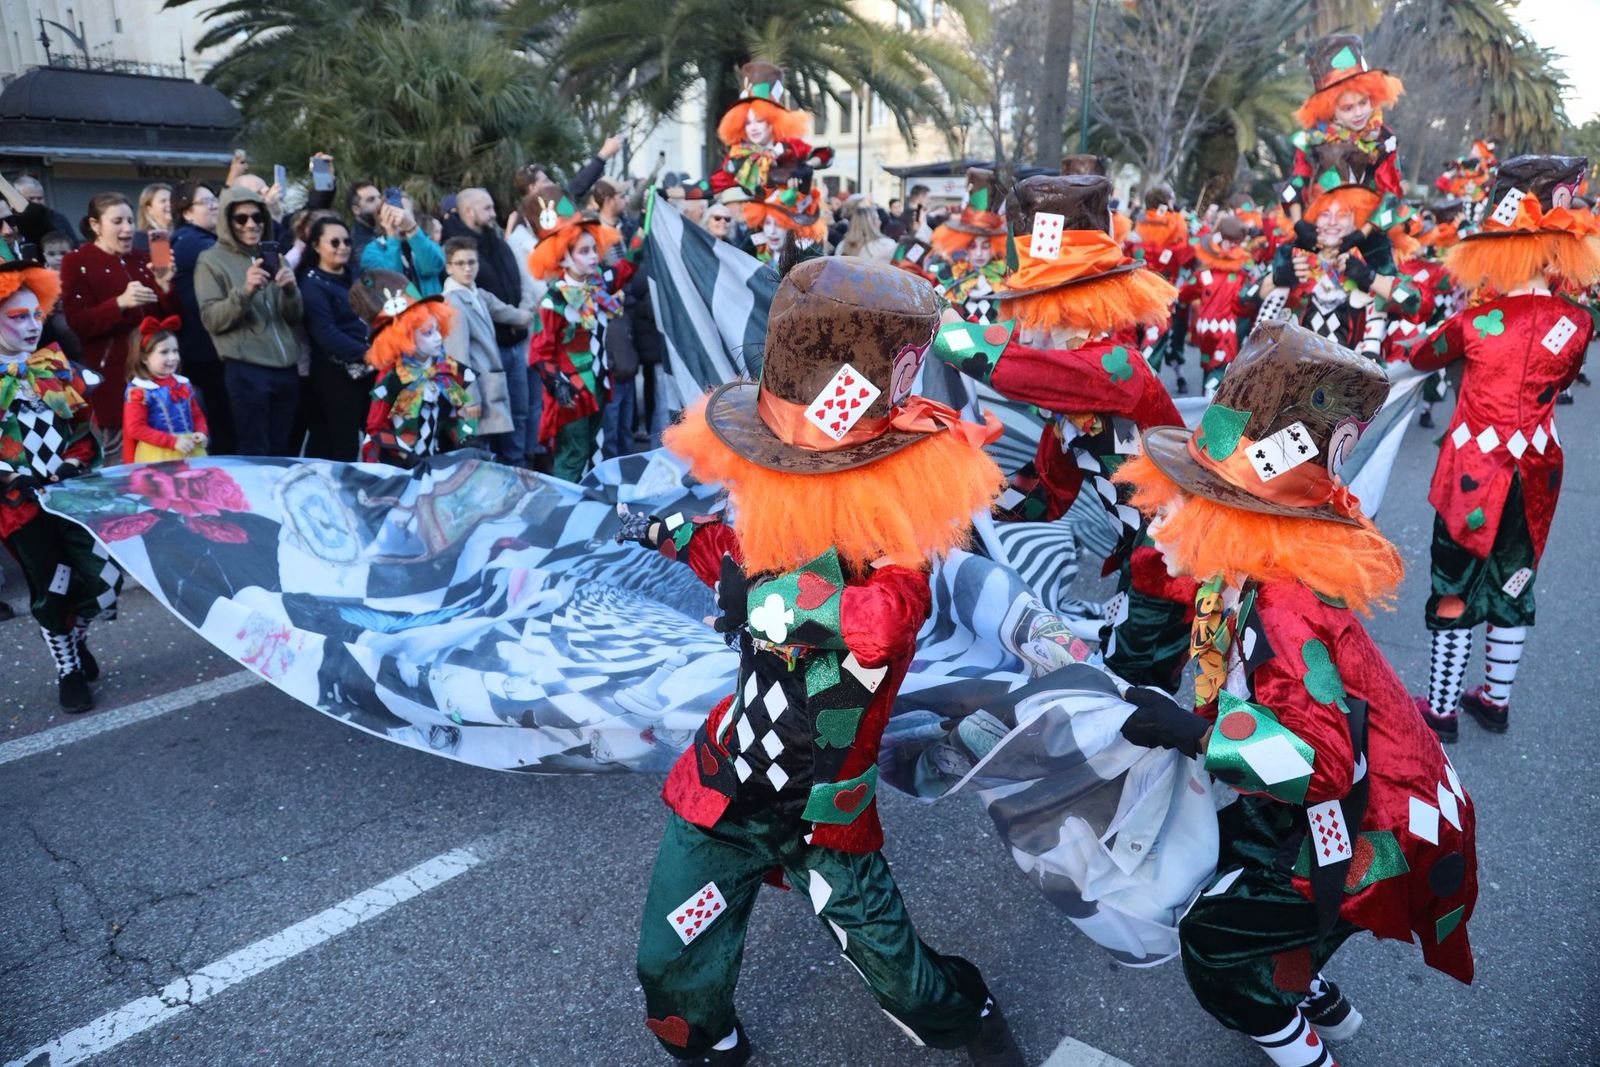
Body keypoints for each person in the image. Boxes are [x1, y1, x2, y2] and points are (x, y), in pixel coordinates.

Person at [617, 256, 1022, 1067]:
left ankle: (974, 1017)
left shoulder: (893, 548)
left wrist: (777, 607)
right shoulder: (776, 513)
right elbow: (735, 556)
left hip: (822, 816)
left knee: (905, 984)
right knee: (668, 961)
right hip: (725, 789)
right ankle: (716, 1047)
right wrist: (671, 534)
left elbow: (882, 621)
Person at [1113, 320, 1477, 1067]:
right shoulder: (1247, 574)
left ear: (1242, 513)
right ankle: (1311, 989)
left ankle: (1306, 1050)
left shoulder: (1280, 607)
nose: (1168, 511)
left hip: (1367, 818)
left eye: (1195, 494)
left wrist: (1191, 733)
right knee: (1233, 876)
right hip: (1334, 798)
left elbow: (1322, 767)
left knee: (1212, 946)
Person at [930, 174, 1192, 693]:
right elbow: (1049, 490)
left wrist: (946, 333)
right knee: (1126, 678)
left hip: (1177, 553)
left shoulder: (1116, 366)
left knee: (1135, 686)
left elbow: (1022, 370)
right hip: (1143, 557)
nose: (1029, 321)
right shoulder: (1073, 400)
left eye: (1039, 301)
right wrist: (966, 513)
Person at [1410, 155, 1600, 741]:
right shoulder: (1578, 322)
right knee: (1515, 576)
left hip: (1475, 467)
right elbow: (1562, 380)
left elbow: (1421, 357)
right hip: (1536, 467)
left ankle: (1441, 709)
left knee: (1454, 581)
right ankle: (1494, 699)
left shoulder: (1477, 321)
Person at [0, 259, 121, 712]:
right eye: (17, 316)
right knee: (52, 586)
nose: (32, 325)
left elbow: (82, 424)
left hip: (71, 495)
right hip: (21, 506)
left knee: (104, 578)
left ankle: (77, 633)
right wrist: (12, 475)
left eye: (37, 314)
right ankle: (67, 668)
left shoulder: (53, 366)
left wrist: (74, 460)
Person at [525, 181, 633, 480]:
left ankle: (590, 510)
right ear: (563, 256)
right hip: (572, 392)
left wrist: (645, 232)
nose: (593, 257)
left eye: (593, 249)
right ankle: (565, 515)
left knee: (595, 453)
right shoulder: (553, 301)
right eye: (584, 251)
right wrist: (557, 385)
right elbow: (539, 354)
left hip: (598, 384)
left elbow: (625, 269)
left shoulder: (595, 287)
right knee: (572, 459)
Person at [60, 191, 180, 449]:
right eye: (117, 222)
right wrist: (119, 304)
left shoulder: (143, 259)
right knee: (120, 464)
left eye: (129, 221)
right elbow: (79, 322)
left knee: (165, 456)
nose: (127, 228)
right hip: (113, 383)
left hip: (156, 379)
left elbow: (170, 321)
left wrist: (164, 286)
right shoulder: (76, 262)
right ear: (95, 225)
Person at [194, 185, 303, 456]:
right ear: (227, 222)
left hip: (287, 369)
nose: (251, 224)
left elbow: (294, 317)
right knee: (255, 453)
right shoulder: (210, 260)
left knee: (285, 451)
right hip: (247, 369)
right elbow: (211, 319)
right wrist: (245, 292)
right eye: (241, 218)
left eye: (258, 217)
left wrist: (291, 291)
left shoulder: (276, 258)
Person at [442, 188, 536, 465]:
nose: (469, 268)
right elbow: (457, 356)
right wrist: (468, 398)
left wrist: (527, 312)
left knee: (518, 420)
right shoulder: (454, 302)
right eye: (461, 264)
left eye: (472, 263)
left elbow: (504, 308)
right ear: (449, 267)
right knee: (479, 448)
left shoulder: (477, 287)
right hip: (478, 382)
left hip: (507, 358)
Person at [1284, 34, 1405, 245]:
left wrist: (1361, 234)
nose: (1359, 113)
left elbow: (1392, 195)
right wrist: (1299, 226)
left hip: (1369, 238)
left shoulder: (1385, 139)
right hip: (1318, 233)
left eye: (1363, 103)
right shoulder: (1311, 139)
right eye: (1348, 108)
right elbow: (1293, 186)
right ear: (1331, 110)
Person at [349, 269, 478, 466]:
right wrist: (405, 456)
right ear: (404, 338)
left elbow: (454, 417)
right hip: (400, 468)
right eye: (427, 333)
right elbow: (376, 429)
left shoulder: (445, 369)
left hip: (436, 462)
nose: (437, 338)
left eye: (437, 329)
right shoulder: (392, 378)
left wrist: (466, 437)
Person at [298, 215, 372, 461]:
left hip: (366, 369)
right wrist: (371, 354)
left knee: (372, 433)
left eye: (347, 241)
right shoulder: (311, 284)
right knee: (342, 443)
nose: (343, 247)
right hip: (335, 373)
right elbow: (326, 334)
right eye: (335, 242)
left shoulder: (354, 274)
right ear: (317, 246)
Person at [169, 180, 234, 454]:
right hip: (205, 346)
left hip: (204, 345)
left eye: (214, 199)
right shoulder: (194, 242)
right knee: (223, 423)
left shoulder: (198, 239)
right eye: (205, 202)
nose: (214, 206)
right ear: (186, 212)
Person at [709, 62, 833, 204]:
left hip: (791, 217)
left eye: (759, 120)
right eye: (747, 123)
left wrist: (807, 165)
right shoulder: (739, 155)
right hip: (757, 221)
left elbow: (826, 154)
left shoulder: (790, 146)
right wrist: (681, 192)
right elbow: (714, 184)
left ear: (773, 121)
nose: (753, 128)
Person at [1175, 215, 1259, 396]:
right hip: (1225, 333)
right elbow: (1244, 306)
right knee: (1216, 376)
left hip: (1206, 333)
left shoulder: (1203, 275)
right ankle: (1207, 412)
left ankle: (1205, 408)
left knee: (1210, 370)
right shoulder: (1242, 277)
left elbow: (1183, 294)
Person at [1128, 187, 1195, 392]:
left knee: (1133, 341)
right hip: (1160, 297)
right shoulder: (1176, 230)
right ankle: (1144, 388)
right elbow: (1190, 259)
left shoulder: (1135, 228)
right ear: (1166, 203)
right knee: (1153, 344)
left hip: (1132, 295)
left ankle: (1132, 384)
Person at [122, 316, 209, 463]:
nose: (173, 357)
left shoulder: (182, 384)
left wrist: (201, 431)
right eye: (164, 352)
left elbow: (196, 415)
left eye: (175, 351)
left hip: (189, 449)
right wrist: (172, 441)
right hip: (158, 454)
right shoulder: (140, 390)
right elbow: (135, 427)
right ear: (144, 358)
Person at [927, 169, 1009, 323]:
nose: (978, 253)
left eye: (985, 246)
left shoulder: (1006, 276)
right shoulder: (948, 276)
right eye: (972, 246)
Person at [360, 192, 445, 297]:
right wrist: (392, 236)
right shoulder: (372, 251)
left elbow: (432, 267)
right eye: (393, 211)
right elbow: (390, 283)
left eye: (404, 211)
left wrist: (411, 229)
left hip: (432, 310)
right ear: (380, 217)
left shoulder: (425, 240)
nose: (399, 215)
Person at [11, 176, 78, 248]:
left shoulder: (57, 219)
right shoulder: (10, 220)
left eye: (40, 198)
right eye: (31, 198)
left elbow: (73, 246)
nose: (36, 202)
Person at [834, 197, 897, 262]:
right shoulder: (888, 245)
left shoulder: (841, 246)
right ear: (872, 223)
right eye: (877, 219)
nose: (880, 222)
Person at [132, 183, 173, 255]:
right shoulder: (144, 237)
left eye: (172, 200)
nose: (170, 204)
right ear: (149, 209)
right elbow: (162, 264)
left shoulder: (177, 234)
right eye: (163, 201)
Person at [347, 182, 384, 260]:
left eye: (380, 197)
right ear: (356, 210)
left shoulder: (383, 230)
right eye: (371, 200)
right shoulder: (359, 243)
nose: (380, 203)